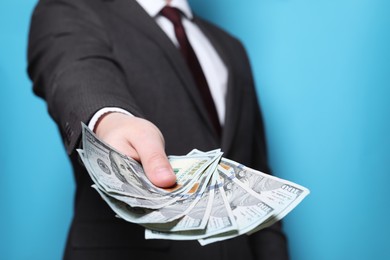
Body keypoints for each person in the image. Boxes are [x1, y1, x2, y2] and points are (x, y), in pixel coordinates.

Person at [27, 0, 290, 259]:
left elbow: (256, 176)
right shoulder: (69, 9)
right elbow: (76, 69)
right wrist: (109, 118)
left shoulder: (231, 48)